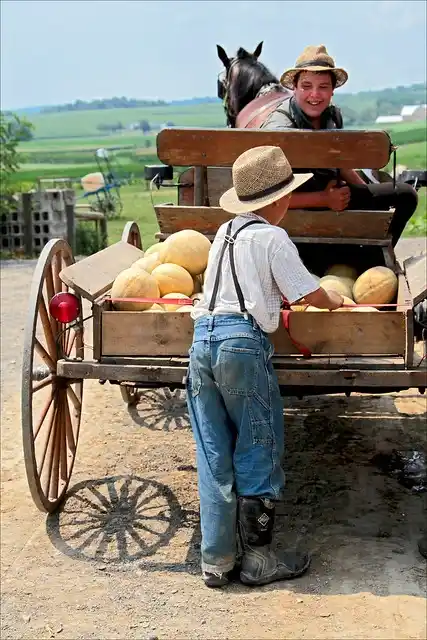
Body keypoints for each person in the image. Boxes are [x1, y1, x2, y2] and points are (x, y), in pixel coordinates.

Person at [187, 145, 345, 588]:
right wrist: (335, 299)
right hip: (241, 344)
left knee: (213, 452)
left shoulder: (223, 233)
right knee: (257, 442)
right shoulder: (274, 238)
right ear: (281, 199)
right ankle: (258, 561)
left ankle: (216, 563)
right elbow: (307, 293)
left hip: (203, 341)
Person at [260, 45, 418, 247]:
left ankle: (378, 249)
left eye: (323, 87)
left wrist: (369, 194)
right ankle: (370, 255)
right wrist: (324, 199)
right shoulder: (279, 129)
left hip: (333, 196)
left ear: (332, 91)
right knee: (405, 195)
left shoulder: (332, 116)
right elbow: (268, 198)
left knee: (404, 196)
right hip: (296, 215)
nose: (315, 95)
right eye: (306, 86)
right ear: (294, 87)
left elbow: (340, 162)